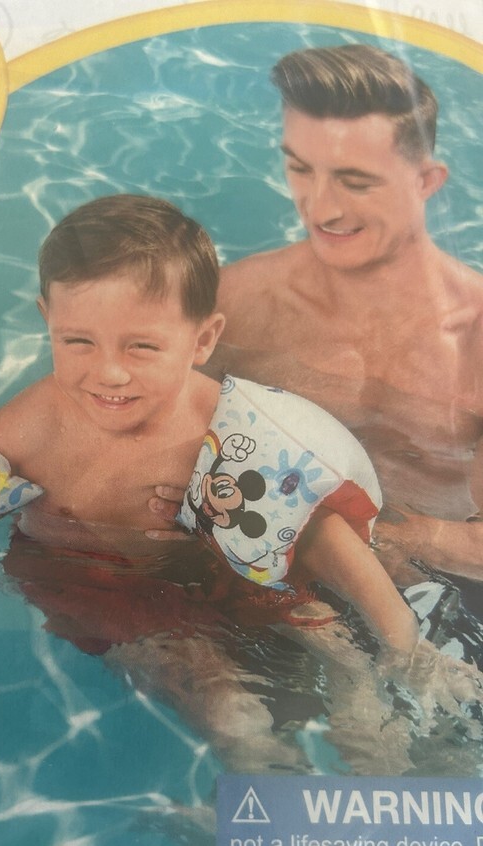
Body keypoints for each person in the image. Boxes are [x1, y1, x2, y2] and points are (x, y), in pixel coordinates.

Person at [0, 195, 477, 772]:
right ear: (46, 319)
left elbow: (318, 532)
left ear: (203, 340)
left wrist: (406, 644)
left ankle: (384, 766)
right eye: (78, 340)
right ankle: (269, 781)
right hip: (91, 579)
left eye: (141, 347)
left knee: (347, 659)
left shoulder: (222, 429)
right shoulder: (26, 430)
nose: (108, 373)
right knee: (229, 710)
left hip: (223, 562)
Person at [202, 44, 483, 588]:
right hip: (256, 571)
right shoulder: (235, 304)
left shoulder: (476, 335)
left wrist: (395, 538)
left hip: (435, 583)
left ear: (426, 181)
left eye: (356, 181)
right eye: (300, 169)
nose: (321, 208)